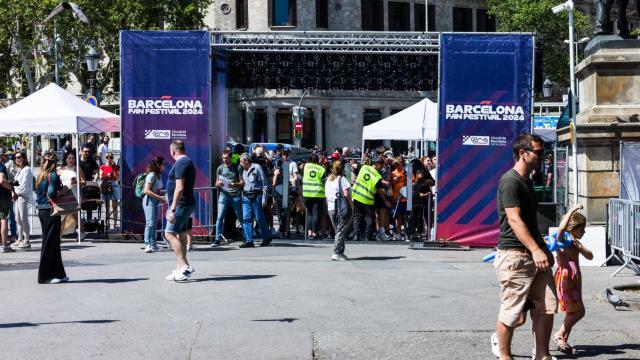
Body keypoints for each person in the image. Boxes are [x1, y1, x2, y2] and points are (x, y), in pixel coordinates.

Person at [492, 134, 557, 360]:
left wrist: (543, 248)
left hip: (535, 255)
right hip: (515, 256)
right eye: (538, 152)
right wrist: (536, 249)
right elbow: (515, 220)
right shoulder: (510, 181)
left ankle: (542, 355)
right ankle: (504, 355)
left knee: (547, 306)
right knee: (513, 314)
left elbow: (530, 222)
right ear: (523, 153)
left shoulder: (527, 181)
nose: (542, 157)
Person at [552, 204, 593, 355]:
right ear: (573, 228)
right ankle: (559, 335)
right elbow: (561, 229)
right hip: (566, 278)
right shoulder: (562, 239)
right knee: (579, 311)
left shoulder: (575, 242)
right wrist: (572, 210)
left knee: (572, 311)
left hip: (575, 278)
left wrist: (580, 247)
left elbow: (590, 256)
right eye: (582, 229)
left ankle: (563, 341)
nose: (584, 231)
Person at [164, 140, 196, 282]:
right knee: (181, 234)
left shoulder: (182, 163)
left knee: (169, 234)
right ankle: (179, 269)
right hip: (185, 204)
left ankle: (185, 266)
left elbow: (179, 187)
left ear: (173, 151)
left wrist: (172, 209)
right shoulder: (186, 162)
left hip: (182, 205)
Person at [35, 152, 68, 283]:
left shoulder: (40, 176)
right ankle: (46, 276)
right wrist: (64, 191)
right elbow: (52, 193)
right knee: (50, 243)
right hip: (51, 212)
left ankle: (59, 273)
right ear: (55, 163)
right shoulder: (53, 175)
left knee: (52, 243)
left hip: (42, 210)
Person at [239, 153, 272, 248]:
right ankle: (249, 240)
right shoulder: (243, 170)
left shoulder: (257, 167)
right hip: (246, 196)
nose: (240, 164)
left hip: (256, 195)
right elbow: (244, 183)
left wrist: (264, 199)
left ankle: (266, 237)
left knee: (259, 218)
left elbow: (264, 184)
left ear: (246, 161)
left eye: (241, 161)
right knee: (246, 218)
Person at [351, 158, 385, 242]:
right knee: (369, 217)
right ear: (378, 164)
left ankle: (356, 235)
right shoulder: (377, 176)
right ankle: (367, 236)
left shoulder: (364, 167)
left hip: (357, 195)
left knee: (357, 216)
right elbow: (379, 190)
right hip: (368, 199)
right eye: (382, 166)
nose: (382, 168)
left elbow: (353, 165)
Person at [214, 150, 243, 246]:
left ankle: (247, 237)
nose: (224, 160)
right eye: (223, 158)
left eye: (226, 158)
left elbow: (242, 182)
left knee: (240, 216)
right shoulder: (220, 168)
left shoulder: (237, 168)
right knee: (220, 217)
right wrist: (218, 184)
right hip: (223, 195)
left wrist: (234, 184)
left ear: (230, 158)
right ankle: (217, 239)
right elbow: (216, 183)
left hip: (235, 195)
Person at [325, 160, 352, 261]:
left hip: (331, 208)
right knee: (340, 231)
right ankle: (336, 252)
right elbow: (346, 194)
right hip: (341, 208)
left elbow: (326, 196)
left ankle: (340, 251)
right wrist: (351, 205)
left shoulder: (328, 180)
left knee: (338, 230)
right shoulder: (342, 179)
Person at [142, 157, 166, 253]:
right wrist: (160, 197)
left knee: (154, 224)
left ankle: (153, 243)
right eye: (163, 164)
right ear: (158, 165)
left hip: (156, 201)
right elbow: (146, 190)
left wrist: (162, 196)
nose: (164, 166)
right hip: (149, 201)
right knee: (150, 223)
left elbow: (157, 190)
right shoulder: (152, 175)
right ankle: (147, 244)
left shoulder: (158, 175)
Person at [10, 151, 33, 250]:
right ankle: (20, 239)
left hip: (23, 196)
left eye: (19, 157)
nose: (17, 159)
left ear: (23, 158)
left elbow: (23, 186)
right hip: (18, 196)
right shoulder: (19, 170)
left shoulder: (27, 170)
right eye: (15, 158)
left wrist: (15, 193)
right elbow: (16, 184)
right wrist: (13, 192)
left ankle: (27, 240)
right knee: (17, 219)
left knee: (23, 218)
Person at [302, 153, 326, 239]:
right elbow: (324, 181)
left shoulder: (305, 166)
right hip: (317, 194)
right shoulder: (321, 169)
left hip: (307, 194)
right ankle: (315, 233)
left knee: (310, 214)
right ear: (317, 160)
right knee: (316, 214)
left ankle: (309, 233)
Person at [58, 151, 79, 237]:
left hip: (75, 194)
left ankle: (82, 232)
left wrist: (77, 182)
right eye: (69, 158)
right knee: (62, 217)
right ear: (66, 160)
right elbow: (56, 182)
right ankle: (59, 236)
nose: (71, 160)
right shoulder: (60, 170)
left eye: (73, 158)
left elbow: (84, 182)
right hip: (64, 195)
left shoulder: (77, 169)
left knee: (76, 215)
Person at [78, 144, 99, 228]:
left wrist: (95, 180)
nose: (87, 153)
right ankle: (78, 222)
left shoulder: (91, 160)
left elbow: (97, 171)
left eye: (88, 152)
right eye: (85, 151)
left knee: (89, 203)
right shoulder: (77, 161)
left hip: (89, 185)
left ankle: (89, 219)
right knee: (79, 204)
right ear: (81, 151)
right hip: (79, 184)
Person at [99, 152, 121, 231]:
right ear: (105, 158)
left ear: (113, 158)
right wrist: (106, 176)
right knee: (107, 207)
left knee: (114, 206)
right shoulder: (102, 166)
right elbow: (100, 177)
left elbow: (118, 177)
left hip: (114, 185)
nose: (109, 159)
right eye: (107, 157)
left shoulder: (116, 167)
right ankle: (107, 224)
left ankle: (115, 225)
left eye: (111, 157)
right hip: (105, 185)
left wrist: (113, 175)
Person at [390, 157, 407, 240]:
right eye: (396, 164)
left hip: (407, 198)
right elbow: (389, 185)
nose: (398, 165)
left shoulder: (407, 172)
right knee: (398, 217)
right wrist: (393, 180)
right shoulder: (393, 173)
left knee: (407, 216)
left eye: (400, 163)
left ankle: (407, 233)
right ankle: (398, 233)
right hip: (397, 198)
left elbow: (413, 182)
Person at [0, 149, 14, 253]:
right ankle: (4, 245)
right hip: (3, 196)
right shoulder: (1, 166)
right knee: (4, 219)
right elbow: (1, 180)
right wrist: (11, 187)